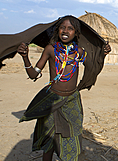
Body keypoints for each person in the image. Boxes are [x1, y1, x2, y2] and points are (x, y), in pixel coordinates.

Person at [17, 15, 111, 161]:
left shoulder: (79, 52)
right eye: (62, 27)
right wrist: (25, 57)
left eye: (70, 28)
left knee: (72, 136)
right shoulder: (51, 50)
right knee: (49, 140)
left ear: (76, 33)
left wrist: (103, 55)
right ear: (57, 30)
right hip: (52, 99)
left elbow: (93, 67)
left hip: (72, 100)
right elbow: (33, 74)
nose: (65, 31)